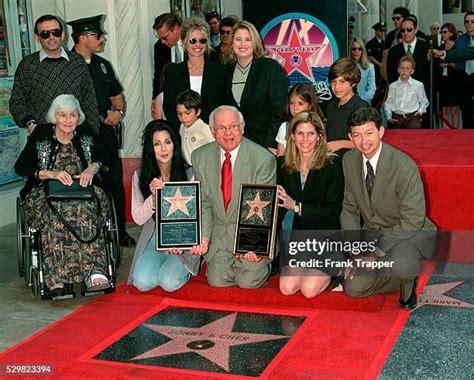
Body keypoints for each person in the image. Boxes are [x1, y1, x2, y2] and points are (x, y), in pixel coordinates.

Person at [14, 94, 111, 299]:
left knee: (88, 211)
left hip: (82, 190)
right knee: (54, 217)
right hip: (45, 191)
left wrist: (92, 168)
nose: (68, 120)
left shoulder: (85, 133)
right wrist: (50, 174)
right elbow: (21, 166)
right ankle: (56, 279)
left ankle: (94, 271)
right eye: (62, 115)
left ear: (79, 116)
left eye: (72, 115)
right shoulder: (41, 134)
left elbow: (105, 155)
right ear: (54, 116)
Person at [340, 106, 436, 309]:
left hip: (408, 234)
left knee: (402, 263)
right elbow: (349, 209)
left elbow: (412, 220)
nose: (364, 141)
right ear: (350, 136)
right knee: (354, 288)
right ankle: (394, 274)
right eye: (357, 135)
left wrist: (375, 252)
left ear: (381, 132)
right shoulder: (349, 161)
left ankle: (407, 279)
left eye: (369, 133)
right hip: (373, 235)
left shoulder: (403, 166)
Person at [190, 106, 277, 288]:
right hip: (220, 235)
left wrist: (253, 244)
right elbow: (204, 203)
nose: (228, 133)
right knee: (217, 281)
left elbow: (264, 208)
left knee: (248, 282)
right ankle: (227, 262)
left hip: (250, 236)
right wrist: (204, 237)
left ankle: (264, 265)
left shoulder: (263, 159)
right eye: (221, 128)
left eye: (233, 126)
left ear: (242, 127)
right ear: (213, 132)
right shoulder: (200, 157)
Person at [67, 14, 135, 247]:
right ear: (83, 37)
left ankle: (118, 232)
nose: (102, 38)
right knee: (84, 183)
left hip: (104, 133)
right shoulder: (65, 65)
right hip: (78, 134)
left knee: (113, 183)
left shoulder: (103, 66)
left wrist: (118, 113)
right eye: (98, 35)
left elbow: (117, 96)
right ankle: (88, 234)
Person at [277, 111, 344, 298]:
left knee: (308, 290)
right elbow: (278, 208)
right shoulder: (283, 164)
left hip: (327, 236)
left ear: (319, 136)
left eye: (311, 133)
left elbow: (333, 211)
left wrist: (297, 207)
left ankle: (337, 268)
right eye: (300, 133)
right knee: (287, 288)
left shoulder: (333, 164)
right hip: (301, 238)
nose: (305, 139)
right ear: (292, 136)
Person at [127, 120, 200, 292]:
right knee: (142, 283)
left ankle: (183, 268)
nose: (164, 149)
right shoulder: (140, 174)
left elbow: (198, 216)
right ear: (150, 149)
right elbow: (138, 218)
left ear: (175, 144)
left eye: (168, 142)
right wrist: (153, 199)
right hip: (154, 237)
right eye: (157, 144)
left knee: (168, 283)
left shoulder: (190, 173)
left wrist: (182, 242)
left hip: (184, 238)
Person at [9, 14, 100, 135]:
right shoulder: (27, 65)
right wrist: (30, 124)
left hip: (76, 136)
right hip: (42, 137)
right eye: (45, 34)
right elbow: (17, 101)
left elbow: (90, 100)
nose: (51, 37)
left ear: (62, 35)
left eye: (55, 32)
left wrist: (92, 133)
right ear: (37, 37)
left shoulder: (77, 62)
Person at [223, 20, 287, 154]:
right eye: (238, 39)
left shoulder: (270, 68)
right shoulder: (226, 71)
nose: (242, 44)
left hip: (265, 145)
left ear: (255, 42)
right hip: (235, 146)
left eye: (247, 39)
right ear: (232, 43)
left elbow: (279, 111)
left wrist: (271, 144)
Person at [163, 16, 224, 134]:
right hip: (183, 134)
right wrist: (183, 129)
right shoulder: (174, 71)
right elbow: (169, 107)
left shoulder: (219, 71)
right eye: (193, 40)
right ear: (185, 42)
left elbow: (224, 103)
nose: (198, 45)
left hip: (213, 134)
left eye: (202, 40)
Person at [326, 58, 369, 156]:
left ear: (353, 83)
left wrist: (340, 144)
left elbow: (367, 141)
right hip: (333, 159)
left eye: (342, 82)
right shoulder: (331, 107)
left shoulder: (362, 108)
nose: (336, 87)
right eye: (333, 82)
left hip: (354, 160)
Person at [275, 83, 324, 157]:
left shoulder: (318, 126)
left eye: (300, 104)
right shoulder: (284, 127)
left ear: (310, 105)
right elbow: (280, 155)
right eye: (292, 103)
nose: (295, 108)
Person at [151, 13, 183, 119]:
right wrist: (155, 98)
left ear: (176, 29)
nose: (162, 42)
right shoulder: (159, 47)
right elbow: (158, 74)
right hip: (172, 100)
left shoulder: (194, 43)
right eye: (159, 38)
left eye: (165, 37)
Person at [176, 89, 214, 175]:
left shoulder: (204, 128)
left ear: (198, 111)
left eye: (187, 113)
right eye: (179, 114)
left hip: (203, 169)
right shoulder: (182, 126)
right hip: (187, 168)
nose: (183, 117)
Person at [386, 17, 430, 92]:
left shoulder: (426, 48)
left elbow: (431, 73)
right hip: (400, 94)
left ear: (415, 30)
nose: (406, 33)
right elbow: (391, 75)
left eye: (409, 29)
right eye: (403, 30)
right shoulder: (393, 51)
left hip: (423, 93)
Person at [384, 55, 429, 129]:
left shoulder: (418, 85)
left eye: (407, 68)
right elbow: (388, 103)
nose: (404, 70)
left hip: (412, 118)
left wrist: (420, 112)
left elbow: (424, 101)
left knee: (413, 136)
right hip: (397, 118)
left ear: (412, 71)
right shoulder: (392, 86)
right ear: (398, 70)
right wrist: (389, 117)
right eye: (402, 68)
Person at [439, 23, 463, 129]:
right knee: (444, 109)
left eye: (445, 32)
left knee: (455, 109)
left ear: (451, 33)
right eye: (442, 32)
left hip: (455, 80)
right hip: (443, 81)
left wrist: (449, 64)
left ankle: (455, 132)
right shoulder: (439, 47)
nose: (442, 34)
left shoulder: (457, 47)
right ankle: (445, 133)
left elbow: (460, 64)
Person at [453, 11, 474, 129]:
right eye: (467, 21)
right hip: (464, 77)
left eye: (472, 21)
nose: (469, 24)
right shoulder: (460, 41)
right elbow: (456, 58)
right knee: (466, 110)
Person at [349, 37, 376, 104]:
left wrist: (362, 101)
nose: (357, 51)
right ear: (350, 50)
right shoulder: (345, 66)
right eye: (354, 49)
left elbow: (372, 88)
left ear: (363, 50)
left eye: (360, 49)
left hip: (363, 103)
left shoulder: (370, 67)